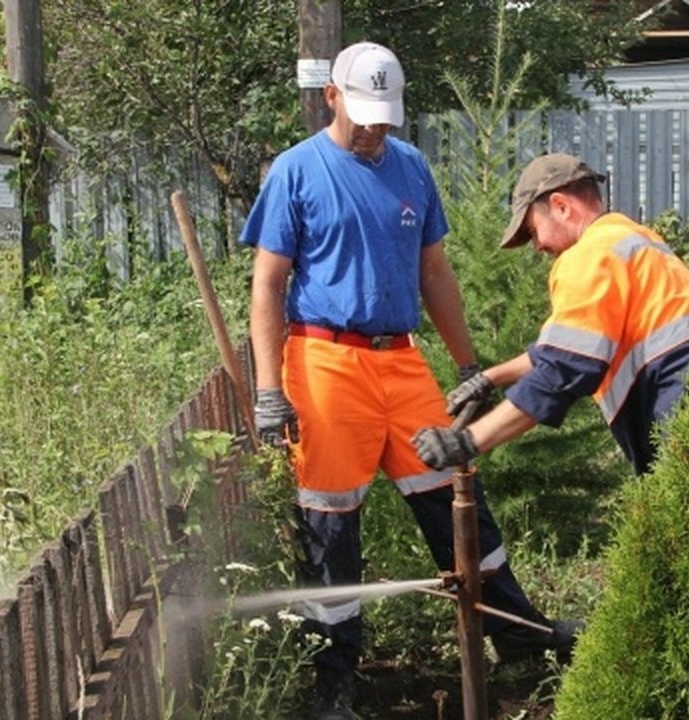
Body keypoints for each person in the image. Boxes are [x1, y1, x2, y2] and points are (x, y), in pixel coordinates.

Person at [240, 43, 576, 720]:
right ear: (332, 96)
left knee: (456, 493)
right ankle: (334, 680)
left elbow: (435, 274)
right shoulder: (296, 173)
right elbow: (268, 287)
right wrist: (269, 388)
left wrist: (466, 365)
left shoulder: (412, 169)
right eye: (363, 115)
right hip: (324, 360)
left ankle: (520, 637)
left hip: (401, 360)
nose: (374, 131)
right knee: (331, 525)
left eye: (385, 119)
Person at [412, 153, 689, 546]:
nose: (538, 247)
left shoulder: (588, 256)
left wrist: (468, 441)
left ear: (560, 206)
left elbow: (561, 370)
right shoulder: (632, 241)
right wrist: (490, 378)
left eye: (533, 230)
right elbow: (563, 348)